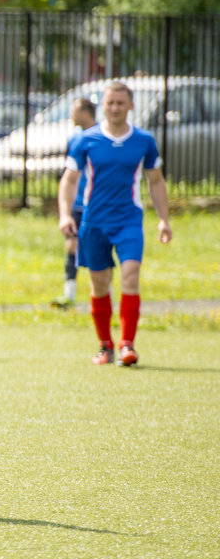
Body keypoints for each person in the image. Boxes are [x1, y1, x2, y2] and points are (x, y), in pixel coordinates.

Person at [58, 81, 171, 367]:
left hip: (128, 220)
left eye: (121, 103)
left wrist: (163, 220)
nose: (115, 108)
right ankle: (105, 345)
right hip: (94, 223)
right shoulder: (86, 140)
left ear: (130, 105)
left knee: (130, 275)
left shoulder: (143, 140)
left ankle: (127, 344)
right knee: (99, 284)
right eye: (110, 103)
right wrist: (65, 214)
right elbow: (69, 180)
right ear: (103, 105)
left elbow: (155, 181)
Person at [51, 98, 97, 309]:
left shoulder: (101, 137)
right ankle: (68, 295)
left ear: (87, 112)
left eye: (75, 110)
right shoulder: (74, 139)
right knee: (71, 246)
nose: (71, 114)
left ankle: (102, 295)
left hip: (96, 204)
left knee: (99, 250)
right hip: (77, 203)